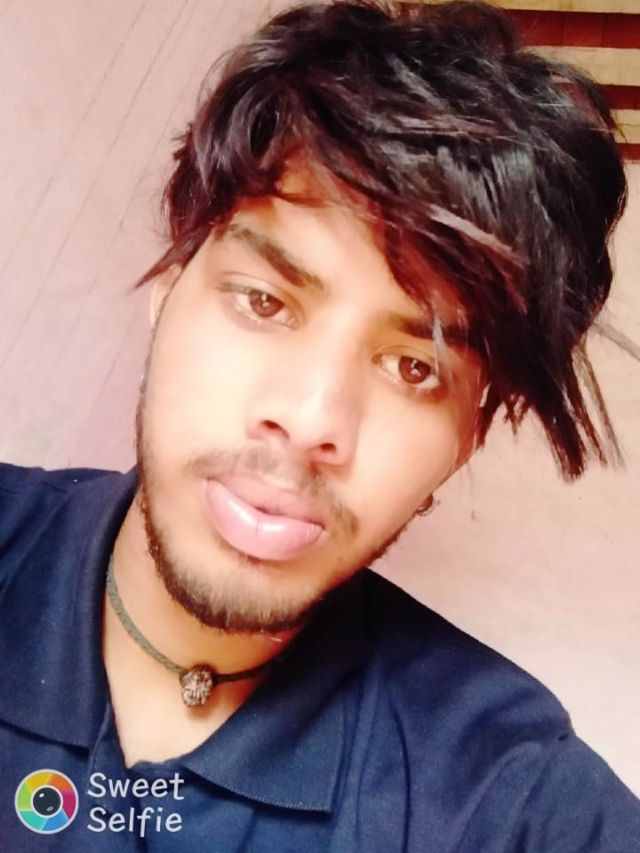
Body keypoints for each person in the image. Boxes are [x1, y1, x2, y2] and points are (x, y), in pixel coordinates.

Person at [1, 0, 638, 849]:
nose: (309, 421)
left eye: (415, 368)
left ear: (469, 437)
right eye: (264, 302)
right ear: (169, 285)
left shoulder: (508, 800)